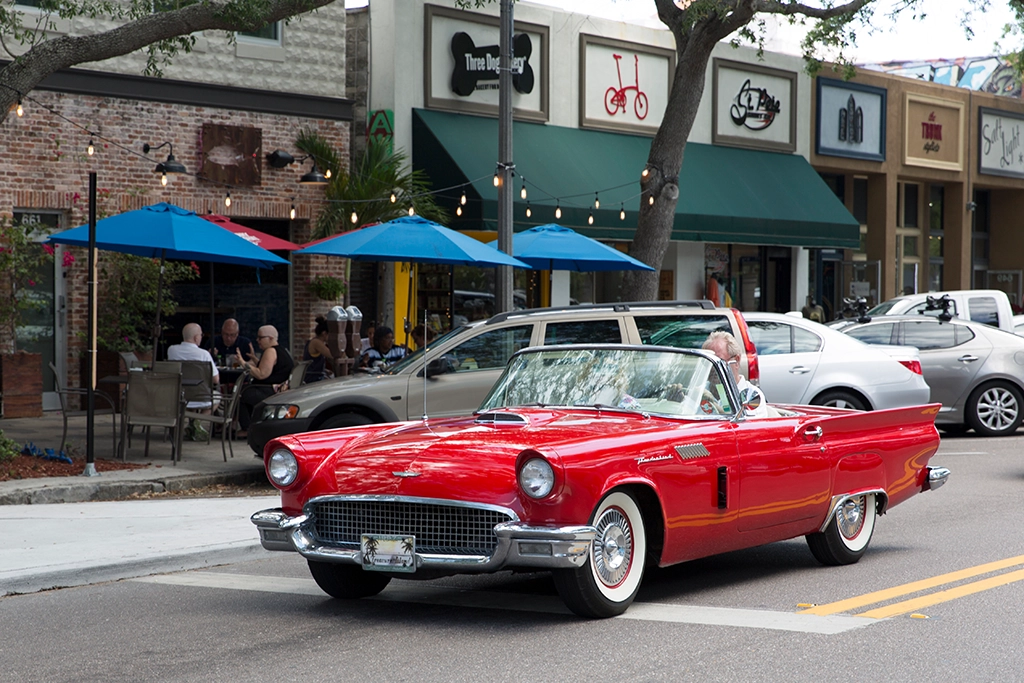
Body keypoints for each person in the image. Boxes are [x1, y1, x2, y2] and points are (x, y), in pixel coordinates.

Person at [236, 325, 294, 438]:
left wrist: (242, 363)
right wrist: (253, 358)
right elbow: (270, 368)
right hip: (277, 390)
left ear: (271, 338)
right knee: (246, 391)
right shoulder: (282, 350)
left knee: (241, 392)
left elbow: (261, 374)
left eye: (260, 338)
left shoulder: (270, 351)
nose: (257, 340)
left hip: (269, 392)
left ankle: (246, 428)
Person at [167, 322, 220, 440]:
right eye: (201, 335)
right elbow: (216, 380)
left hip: (179, 397)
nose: (201, 337)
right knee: (217, 397)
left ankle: (192, 423)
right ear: (196, 337)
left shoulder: (172, 350)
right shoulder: (204, 354)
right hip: (201, 397)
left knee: (188, 394)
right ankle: (197, 420)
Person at [702, 330, 768, 418]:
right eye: (708, 362)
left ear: (736, 360)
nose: (713, 368)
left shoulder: (751, 395)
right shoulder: (699, 391)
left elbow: (749, 429)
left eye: (719, 362)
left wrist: (719, 409)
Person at [303, 316, 334, 383]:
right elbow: (332, 355)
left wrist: (324, 370)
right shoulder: (316, 343)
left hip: (317, 376)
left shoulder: (316, 342)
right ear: (324, 333)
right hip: (313, 378)